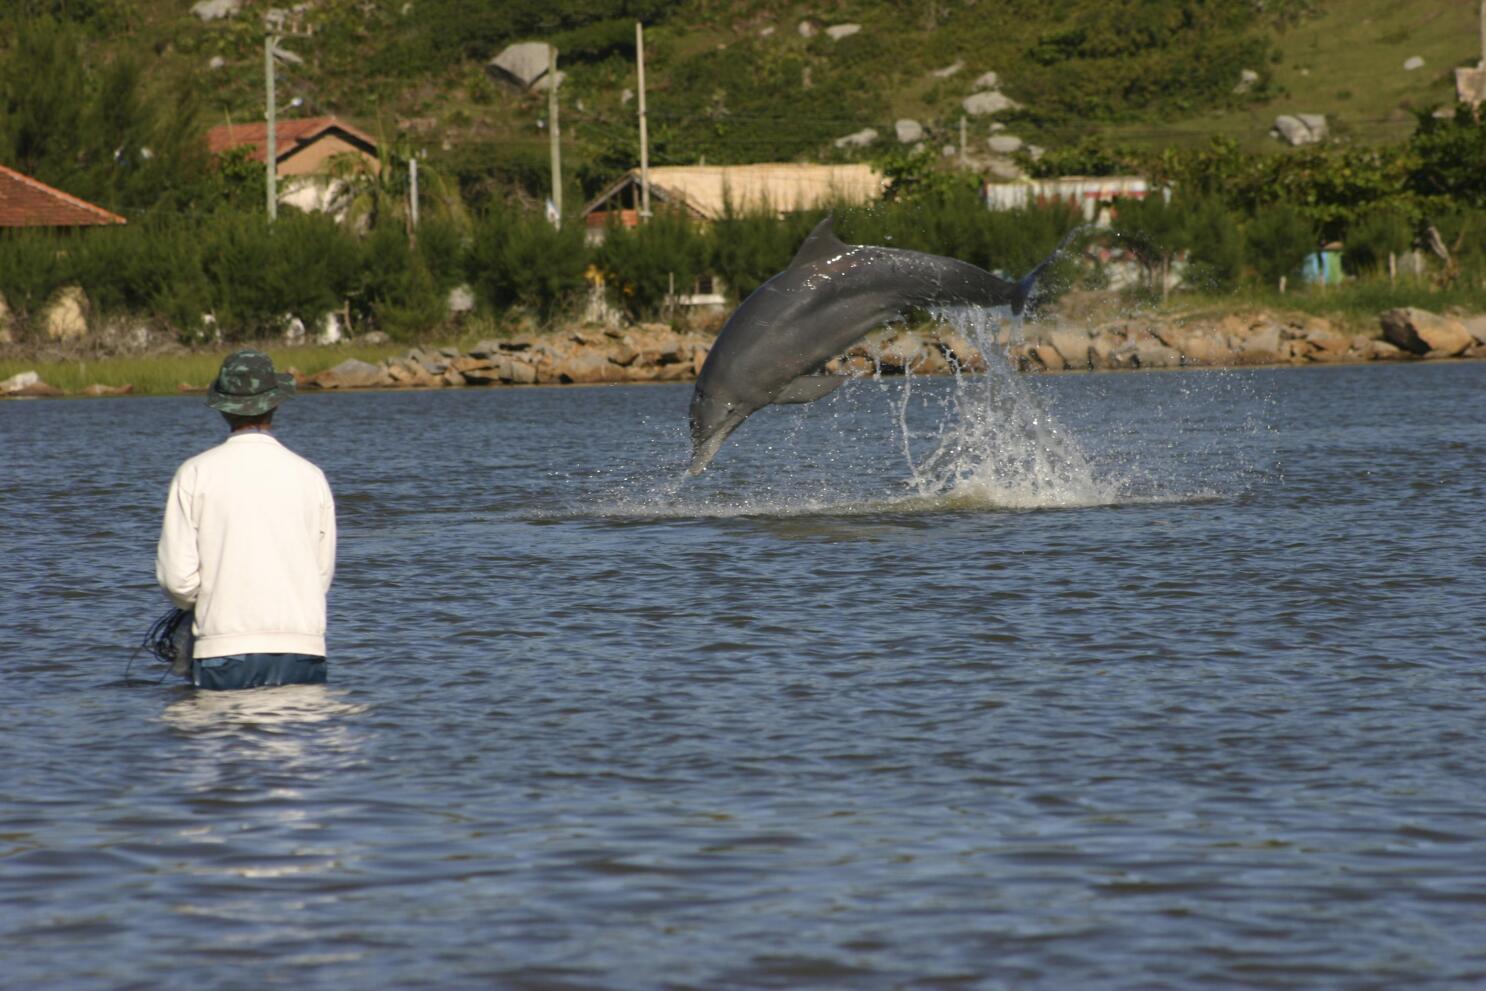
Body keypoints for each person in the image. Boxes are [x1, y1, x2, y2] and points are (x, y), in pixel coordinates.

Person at [156, 349, 336, 690]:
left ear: (223, 408)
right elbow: (320, 576)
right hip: (303, 649)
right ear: (276, 404)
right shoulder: (311, 477)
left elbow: (177, 580)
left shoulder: (194, 474)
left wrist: (219, 597)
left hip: (224, 652)